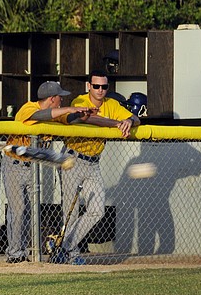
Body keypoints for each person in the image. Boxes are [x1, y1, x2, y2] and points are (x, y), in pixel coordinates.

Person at [2, 81, 93, 263]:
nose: (61, 100)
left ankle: (25, 252)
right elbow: (40, 115)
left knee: (29, 212)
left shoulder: (55, 113)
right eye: (59, 98)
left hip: (33, 167)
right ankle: (14, 254)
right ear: (52, 99)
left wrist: (80, 115)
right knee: (18, 210)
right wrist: (67, 109)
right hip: (14, 164)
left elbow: (67, 120)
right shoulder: (28, 108)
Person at [58, 69, 140, 265]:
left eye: (104, 86)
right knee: (71, 209)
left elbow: (137, 118)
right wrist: (116, 123)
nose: (100, 90)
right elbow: (88, 118)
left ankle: (65, 246)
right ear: (89, 86)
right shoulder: (79, 101)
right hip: (73, 159)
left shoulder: (111, 104)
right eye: (96, 86)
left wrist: (128, 120)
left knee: (97, 210)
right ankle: (70, 253)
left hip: (93, 162)